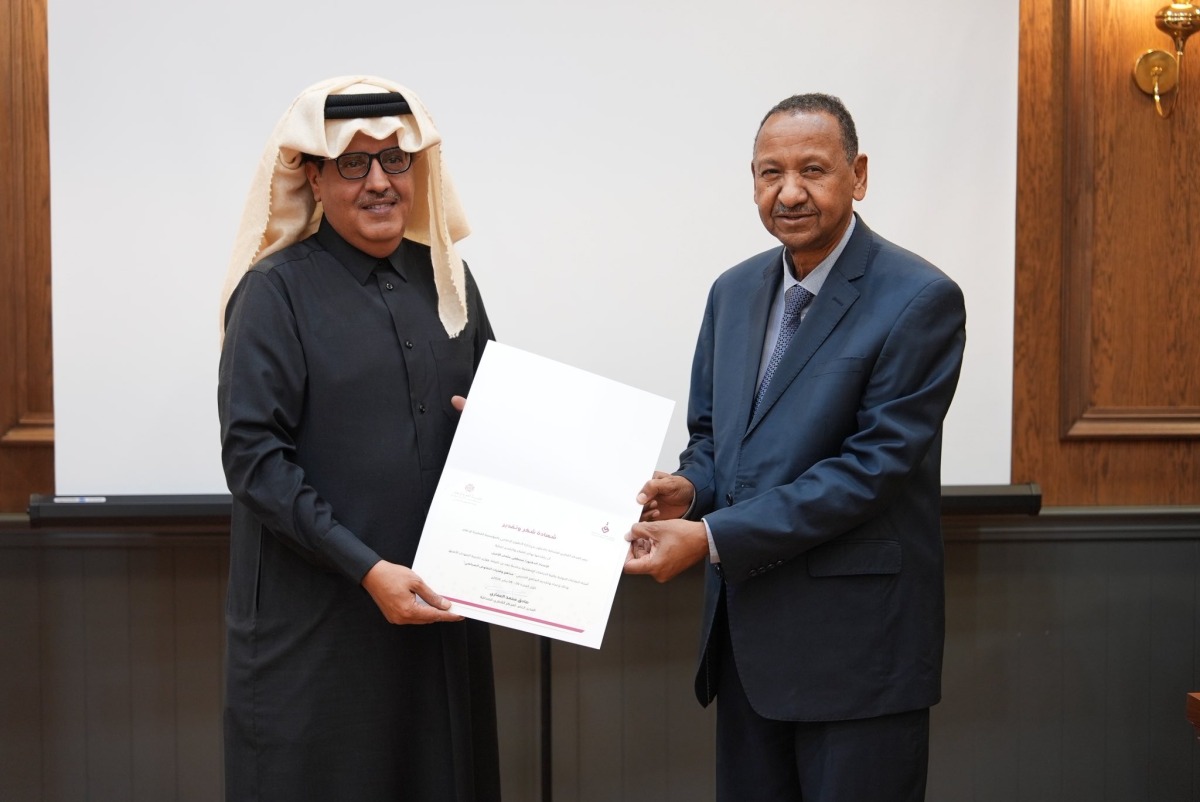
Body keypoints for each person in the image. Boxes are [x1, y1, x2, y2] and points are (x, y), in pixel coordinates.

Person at [624, 93, 966, 802]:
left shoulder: (920, 298)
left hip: (857, 659)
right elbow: (713, 438)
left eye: (812, 169)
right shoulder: (732, 292)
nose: (788, 193)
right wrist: (690, 489)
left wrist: (710, 536)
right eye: (769, 172)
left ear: (858, 175)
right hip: (745, 647)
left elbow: (869, 472)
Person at [217, 76, 500, 801]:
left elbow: (501, 421)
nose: (379, 182)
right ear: (313, 177)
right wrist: (368, 568)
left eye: (395, 159)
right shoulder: (273, 292)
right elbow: (255, 462)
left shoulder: (450, 280)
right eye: (353, 163)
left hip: (438, 618)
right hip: (320, 630)